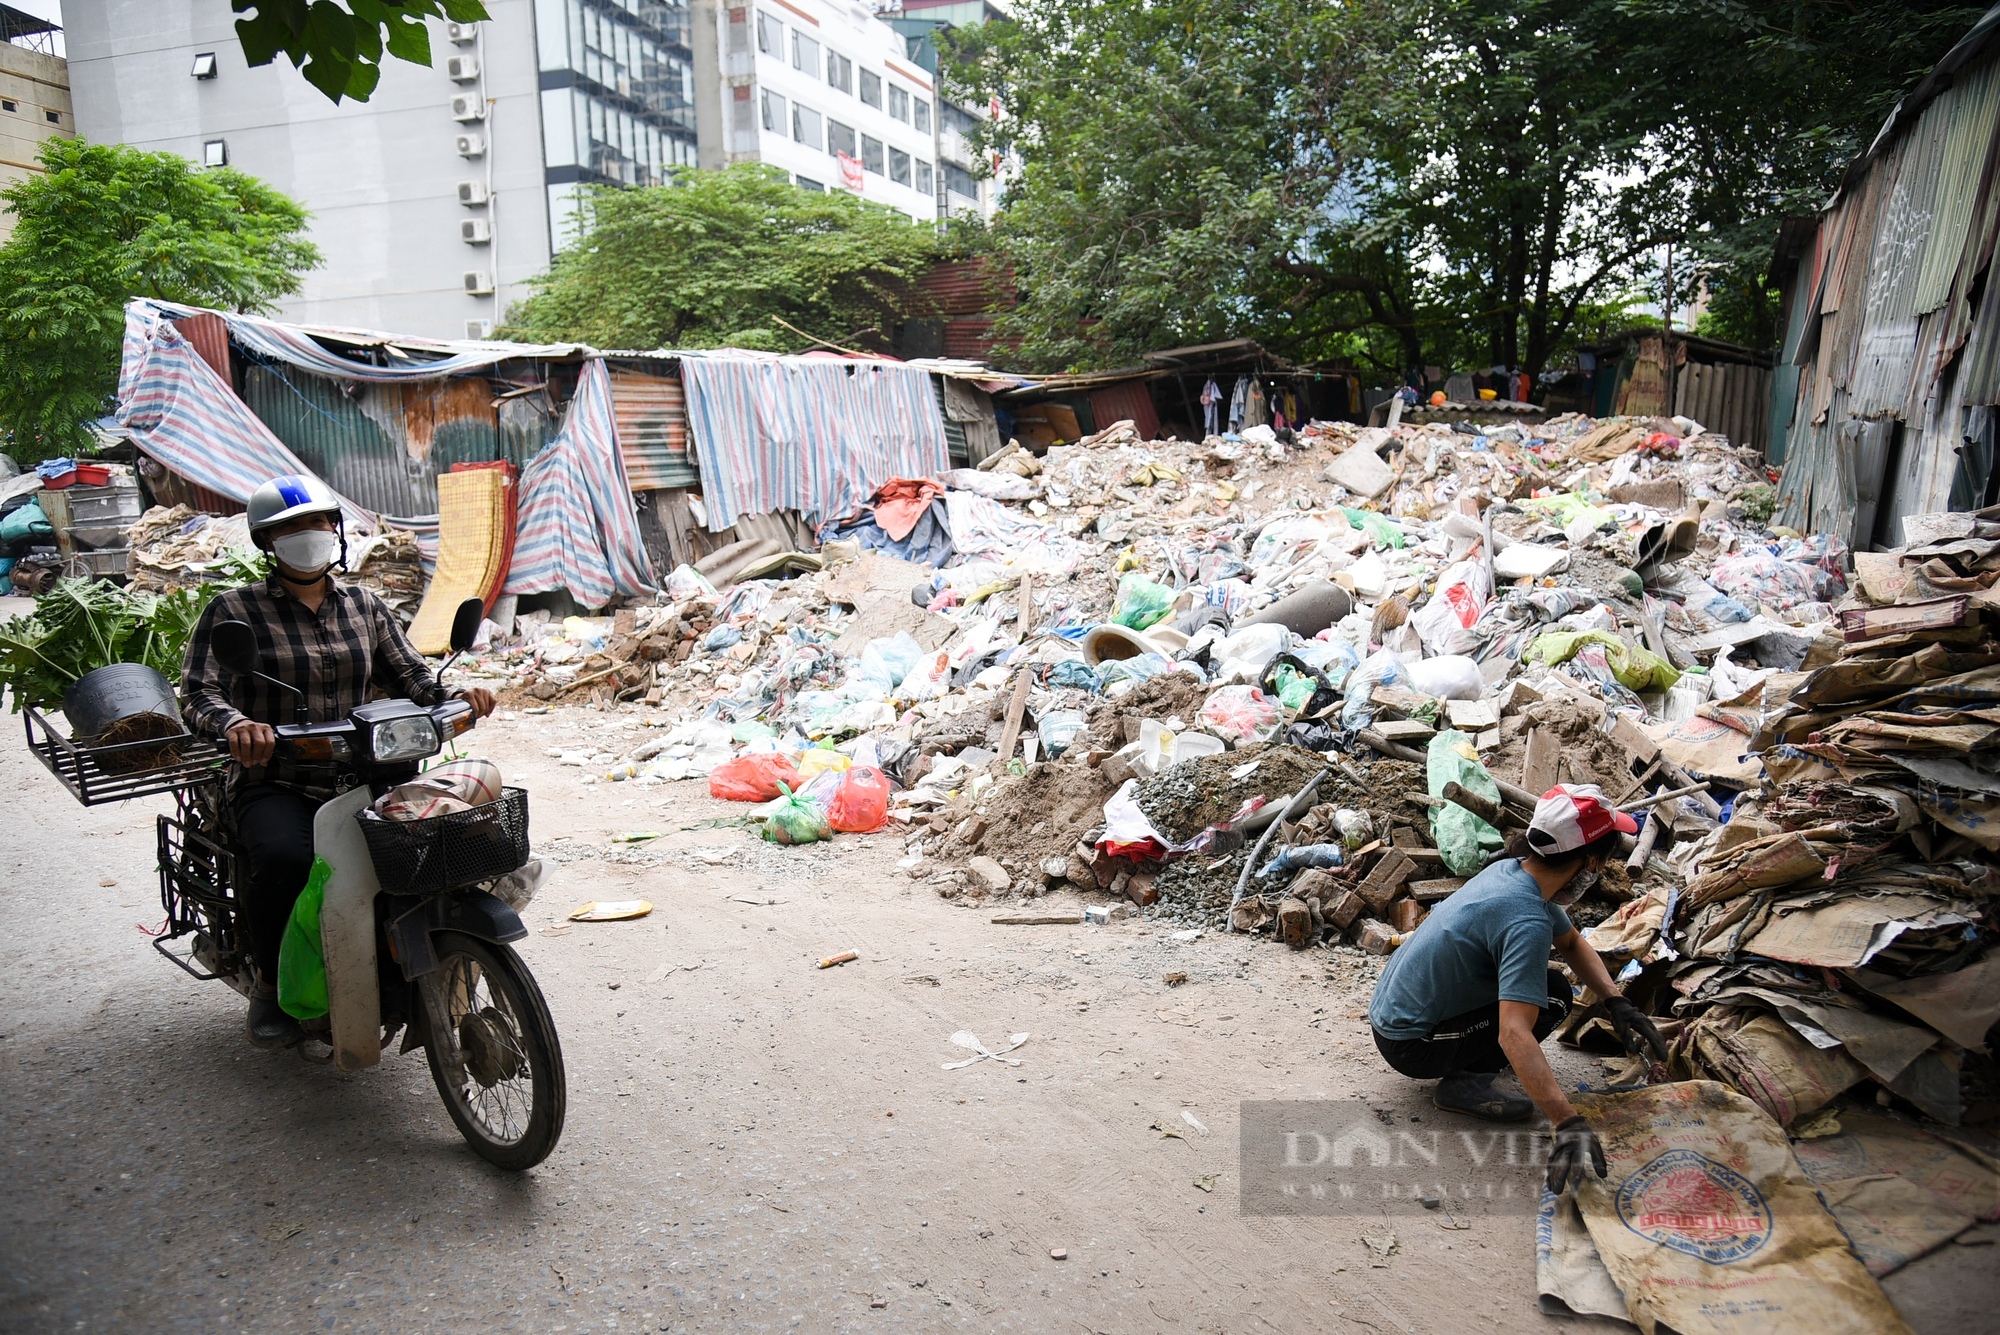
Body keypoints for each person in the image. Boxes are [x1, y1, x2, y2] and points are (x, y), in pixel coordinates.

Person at [182, 475, 497, 1049]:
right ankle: (273, 985)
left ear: (335, 530)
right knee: (283, 859)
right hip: (279, 778)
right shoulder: (233, 610)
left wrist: (459, 699)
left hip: (371, 768)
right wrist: (238, 726)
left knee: (434, 848)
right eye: (290, 529)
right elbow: (199, 693)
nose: (309, 536)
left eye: (318, 524)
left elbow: (413, 677)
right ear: (267, 542)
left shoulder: (364, 604)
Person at [1366, 784, 1670, 1194]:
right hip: (1412, 1042)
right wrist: (1566, 1120)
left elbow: (1574, 943)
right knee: (1552, 1000)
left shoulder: (1513, 873)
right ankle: (1464, 1084)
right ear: (1591, 862)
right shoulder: (1525, 917)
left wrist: (1616, 1001)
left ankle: (1478, 1059)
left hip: (1396, 1013)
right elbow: (1513, 1032)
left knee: (1552, 987)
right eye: (1600, 864)